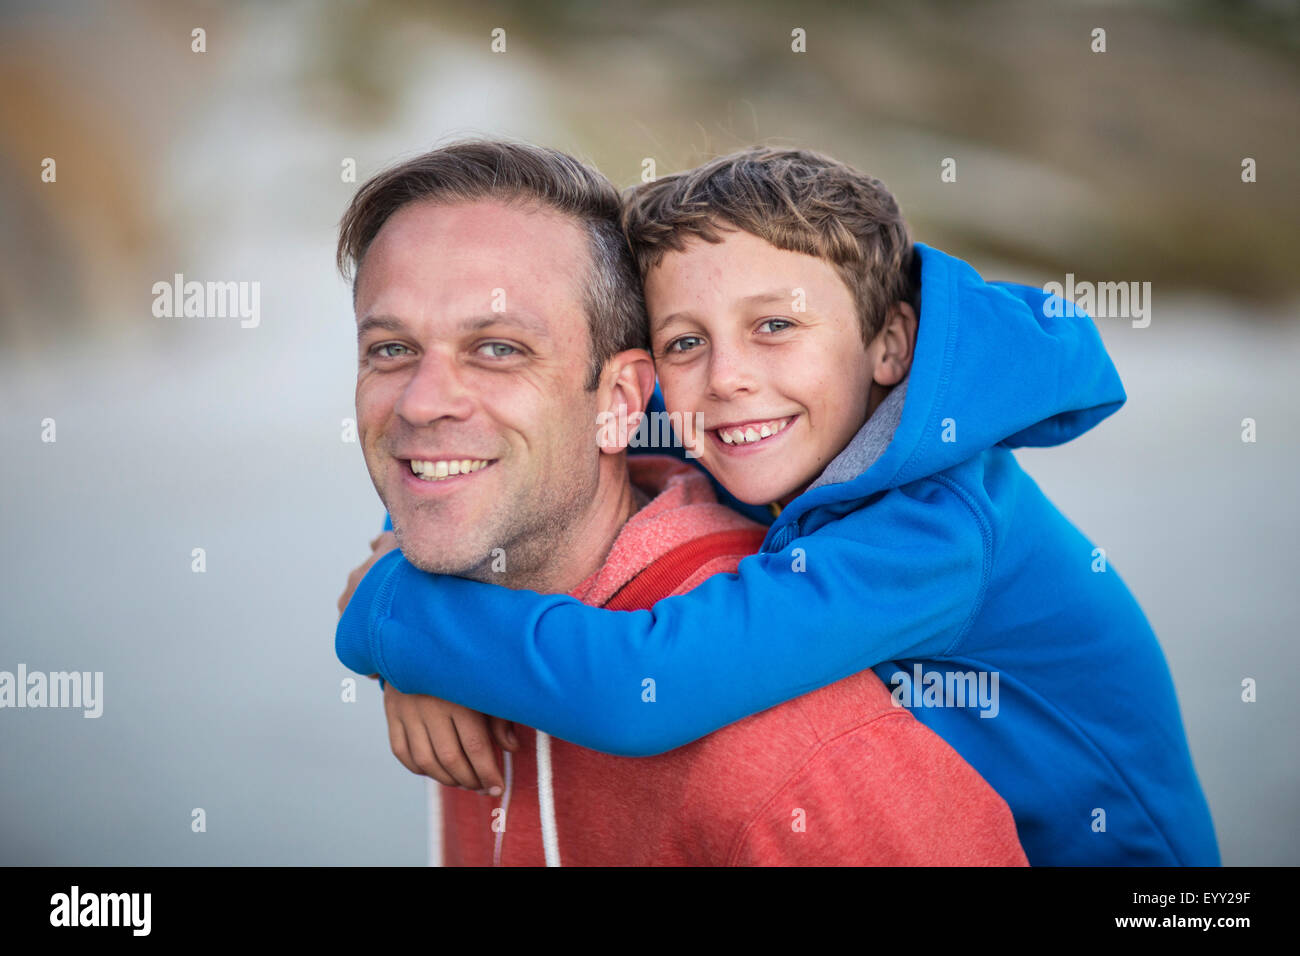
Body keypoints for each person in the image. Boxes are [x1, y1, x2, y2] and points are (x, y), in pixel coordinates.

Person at [338, 145, 1220, 866]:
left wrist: (401, 621)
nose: (728, 377)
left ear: (889, 343)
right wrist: (404, 557)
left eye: (776, 326)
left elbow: (644, 689)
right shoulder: (743, 416)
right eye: (687, 339)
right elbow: (496, 446)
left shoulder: (936, 529)